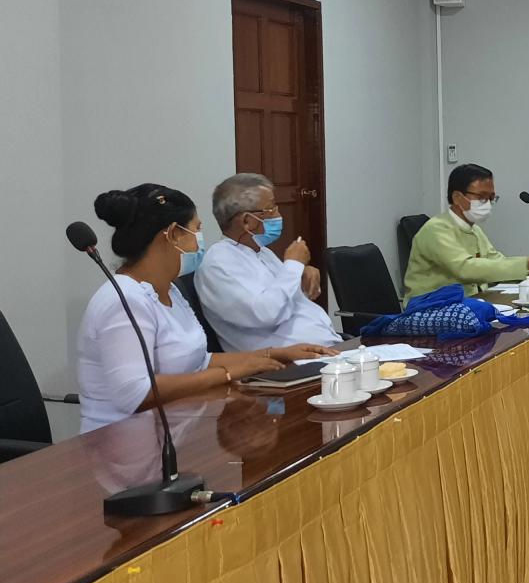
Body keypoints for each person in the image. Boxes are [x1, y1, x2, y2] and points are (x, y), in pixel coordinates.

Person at [77, 184, 337, 432]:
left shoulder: (170, 290)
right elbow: (135, 394)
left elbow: (199, 360)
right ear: (172, 234)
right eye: (196, 230)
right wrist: (227, 374)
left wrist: (273, 355)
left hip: (179, 427)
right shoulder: (124, 299)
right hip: (124, 441)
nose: (199, 242)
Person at [196, 173, 343, 352]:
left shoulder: (262, 252)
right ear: (247, 221)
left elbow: (285, 300)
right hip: (287, 362)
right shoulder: (218, 263)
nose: (278, 215)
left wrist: (302, 276)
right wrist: (293, 265)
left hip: (326, 348)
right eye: (271, 208)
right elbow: (266, 314)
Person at [403, 163, 529, 303]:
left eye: (491, 198)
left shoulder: (474, 229)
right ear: (457, 197)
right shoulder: (436, 229)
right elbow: (466, 269)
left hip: (468, 304)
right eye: (482, 197)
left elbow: (496, 262)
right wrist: (528, 264)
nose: (487, 203)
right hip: (429, 309)